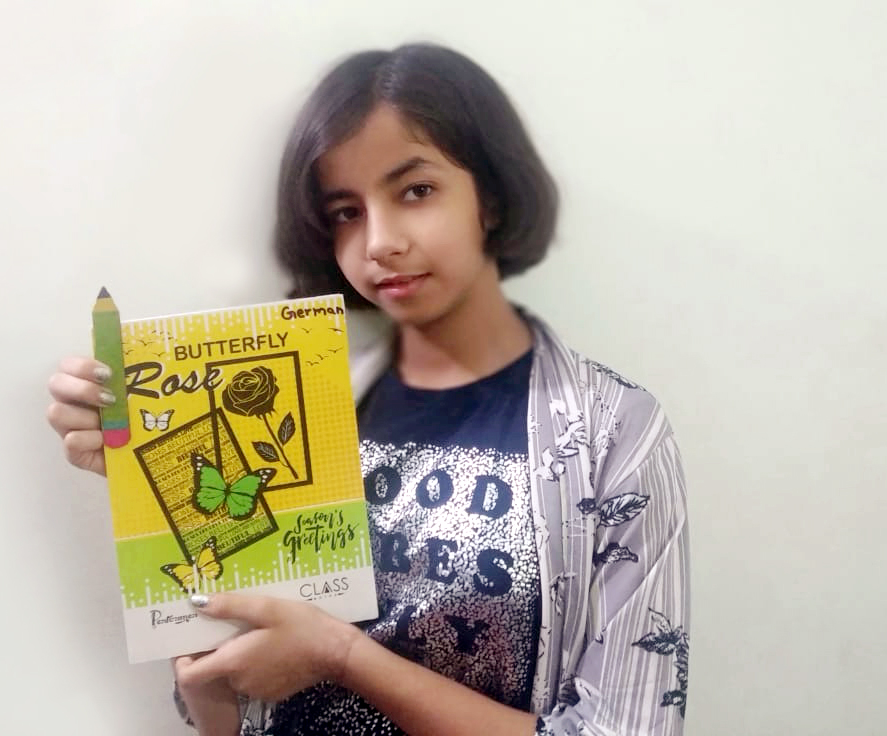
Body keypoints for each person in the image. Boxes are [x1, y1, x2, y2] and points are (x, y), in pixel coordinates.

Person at [47, 43, 690, 736]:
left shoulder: (612, 431)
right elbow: (225, 709)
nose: (378, 241)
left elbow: (625, 729)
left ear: (493, 197)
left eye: (415, 191)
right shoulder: (296, 408)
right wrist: (150, 490)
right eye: (345, 212)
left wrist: (342, 656)